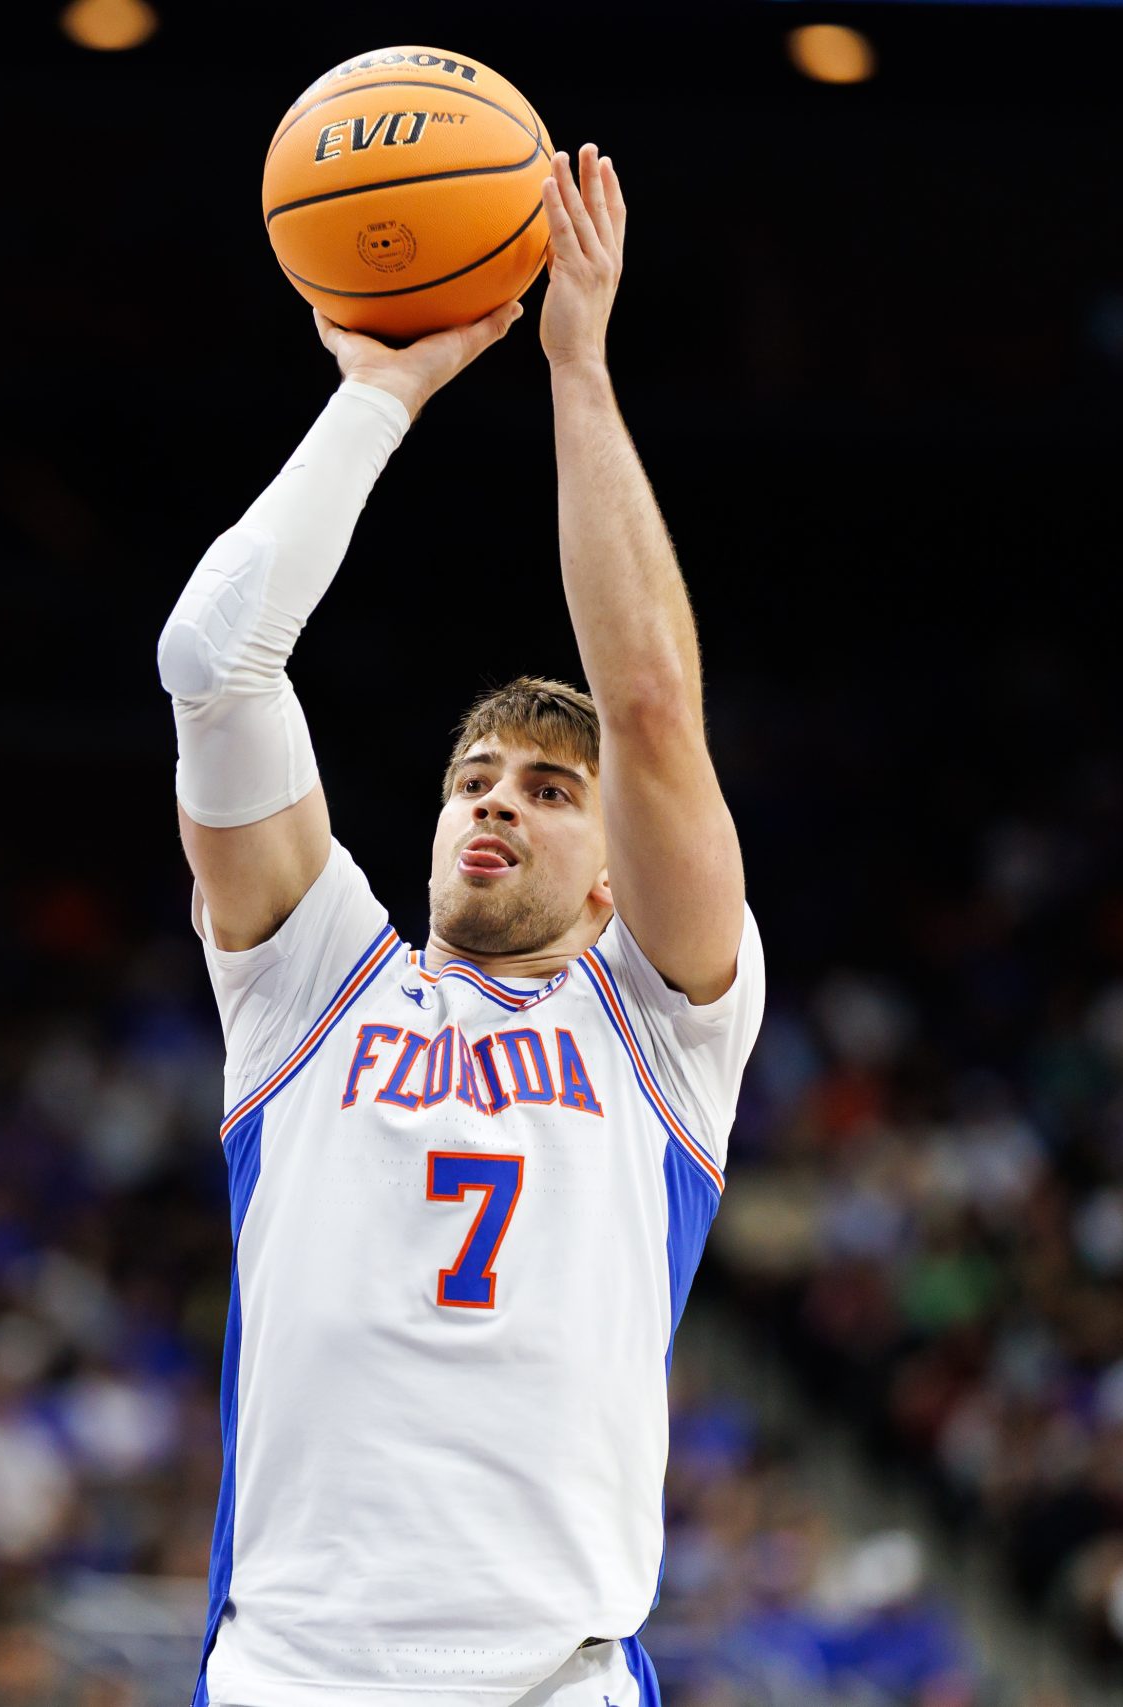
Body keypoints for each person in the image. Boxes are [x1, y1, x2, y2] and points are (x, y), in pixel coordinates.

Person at [159, 145, 764, 1707]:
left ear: (615, 865)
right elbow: (217, 664)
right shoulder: (311, 986)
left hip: (549, 1676)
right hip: (299, 1667)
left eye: (553, 793)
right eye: (475, 777)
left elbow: (649, 710)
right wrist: (382, 391)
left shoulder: (663, 1024)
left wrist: (576, 363)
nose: (499, 803)